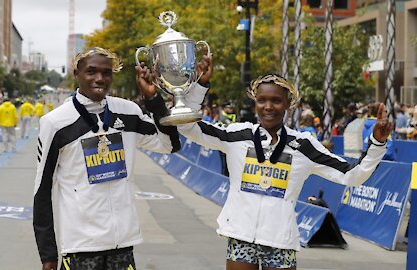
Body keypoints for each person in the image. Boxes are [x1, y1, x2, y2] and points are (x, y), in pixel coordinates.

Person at [137, 61, 393, 269]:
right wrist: (201, 84)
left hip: (280, 240)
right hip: (240, 235)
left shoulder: (304, 145)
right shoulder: (237, 134)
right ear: (255, 102)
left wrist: (377, 143)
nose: (268, 107)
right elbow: (187, 126)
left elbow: (353, 176)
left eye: (276, 101)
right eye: (262, 100)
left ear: (288, 104)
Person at [33, 47, 181, 270]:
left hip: (123, 242)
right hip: (80, 246)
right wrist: (48, 255)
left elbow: (170, 145)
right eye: (91, 71)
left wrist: (153, 99)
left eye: (107, 72)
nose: (100, 78)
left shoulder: (128, 112)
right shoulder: (55, 123)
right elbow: (42, 190)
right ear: (77, 74)